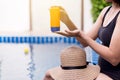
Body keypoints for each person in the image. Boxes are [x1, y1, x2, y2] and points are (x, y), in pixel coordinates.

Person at [54, 0, 120, 80]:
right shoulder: (106, 11)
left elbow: (114, 59)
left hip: (115, 74)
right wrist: (67, 21)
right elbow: (84, 42)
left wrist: (82, 35)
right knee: (49, 76)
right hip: (100, 70)